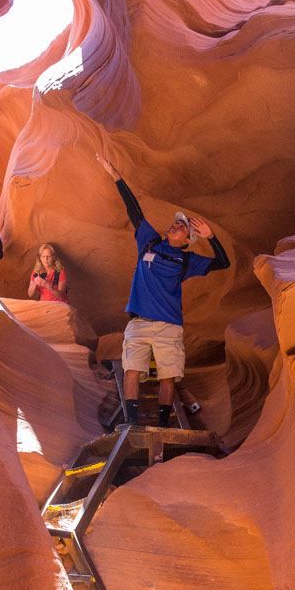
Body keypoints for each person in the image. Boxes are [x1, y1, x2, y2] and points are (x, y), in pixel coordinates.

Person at [95, 153, 230, 427]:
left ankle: (160, 424)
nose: (174, 225)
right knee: (132, 369)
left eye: (180, 226)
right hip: (139, 322)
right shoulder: (149, 243)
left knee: (168, 376)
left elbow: (223, 262)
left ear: (188, 239)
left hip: (169, 325)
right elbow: (135, 213)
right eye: (175, 223)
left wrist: (212, 237)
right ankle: (132, 423)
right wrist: (116, 176)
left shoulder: (187, 261)